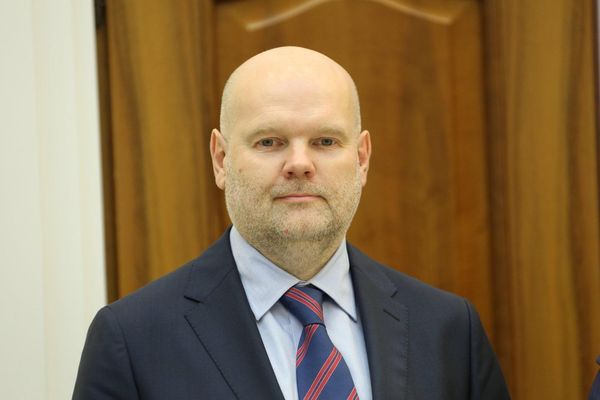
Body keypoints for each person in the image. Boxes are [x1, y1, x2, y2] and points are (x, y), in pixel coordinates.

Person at [73, 46, 510, 399]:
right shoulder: (133, 341)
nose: (299, 163)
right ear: (221, 159)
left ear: (361, 159)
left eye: (325, 141)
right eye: (270, 141)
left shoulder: (449, 330)